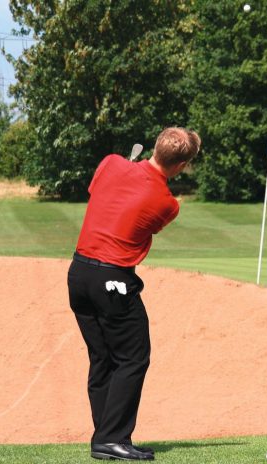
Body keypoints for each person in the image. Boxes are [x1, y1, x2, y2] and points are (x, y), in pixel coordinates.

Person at [67, 127, 201, 461]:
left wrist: (129, 170)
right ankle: (112, 438)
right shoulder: (168, 203)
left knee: (103, 358)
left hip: (79, 274)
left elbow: (98, 189)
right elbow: (148, 224)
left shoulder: (112, 162)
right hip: (113, 280)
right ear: (182, 165)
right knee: (132, 357)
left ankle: (105, 436)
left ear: (155, 145)